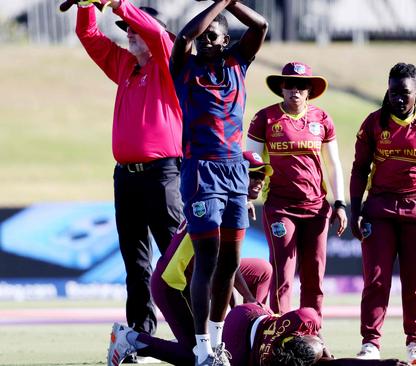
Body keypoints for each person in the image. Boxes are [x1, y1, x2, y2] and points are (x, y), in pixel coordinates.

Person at [73, 0, 183, 349]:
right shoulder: (125, 65)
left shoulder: (169, 62)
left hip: (163, 174)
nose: (130, 33)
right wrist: (86, 4)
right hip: (127, 177)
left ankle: (197, 336)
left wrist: (118, 4)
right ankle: (140, 337)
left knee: (174, 257)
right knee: (135, 263)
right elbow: (87, 34)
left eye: (135, 28)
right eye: (128, 29)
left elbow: (153, 31)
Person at [107, 152, 274, 366]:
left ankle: (249, 331)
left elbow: (226, 266)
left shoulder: (231, 201)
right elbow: (220, 267)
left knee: (262, 269)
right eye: (253, 175)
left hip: (197, 273)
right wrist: (243, 302)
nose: (259, 182)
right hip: (172, 285)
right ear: (238, 175)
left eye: (262, 176)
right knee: (194, 356)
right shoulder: (223, 204)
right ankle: (130, 339)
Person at [170, 1, 268, 365]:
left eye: (213, 37)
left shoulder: (238, 63)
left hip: (235, 172)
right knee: (206, 260)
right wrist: (217, 6)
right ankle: (200, 348)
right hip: (201, 172)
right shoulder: (185, 66)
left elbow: (261, 26)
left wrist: (231, 2)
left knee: (230, 262)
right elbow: (184, 36)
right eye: (203, 37)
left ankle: (216, 341)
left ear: (227, 40)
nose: (205, 41)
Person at [348, 63, 416, 363]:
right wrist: (354, 211)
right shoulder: (374, 123)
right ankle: (370, 343)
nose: (398, 99)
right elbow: (360, 169)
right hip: (379, 209)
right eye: (393, 92)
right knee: (376, 279)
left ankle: (415, 342)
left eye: (405, 93)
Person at [246, 61, 348, 318]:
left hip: (316, 209)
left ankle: (312, 332)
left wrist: (340, 203)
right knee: (283, 273)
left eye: (302, 85)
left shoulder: (321, 118)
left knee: (314, 275)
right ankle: (280, 334)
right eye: (290, 84)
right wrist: (245, 196)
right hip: (280, 208)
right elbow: (250, 162)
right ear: (282, 87)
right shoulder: (265, 118)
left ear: (310, 89)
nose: (296, 90)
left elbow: (334, 164)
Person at [223, 303, 410, 366]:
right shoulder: (303, 321)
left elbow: (333, 362)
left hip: (246, 327)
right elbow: (334, 364)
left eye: (318, 342)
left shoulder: (303, 318)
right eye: (322, 344)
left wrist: (382, 364)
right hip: (241, 327)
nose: (322, 343)